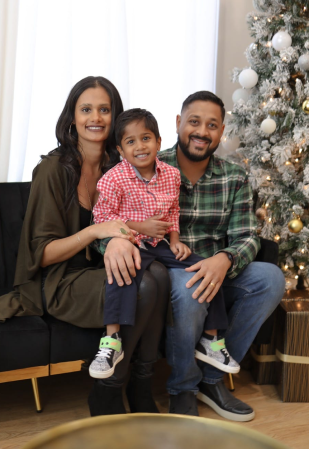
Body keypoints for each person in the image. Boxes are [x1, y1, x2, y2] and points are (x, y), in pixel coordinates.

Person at [0, 76, 170, 416]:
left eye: (104, 109)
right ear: (72, 117)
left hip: (100, 271)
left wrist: (120, 237)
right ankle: (108, 391)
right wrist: (97, 232)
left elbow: (137, 213)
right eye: (86, 109)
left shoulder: (121, 167)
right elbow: (42, 254)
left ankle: (142, 384)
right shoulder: (52, 170)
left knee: (159, 274)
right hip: (58, 280)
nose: (95, 118)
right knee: (144, 282)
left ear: (116, 118)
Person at [101, 91, 285, 422]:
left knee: (270, 278)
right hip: (172, 267)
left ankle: (211, 381)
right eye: (194, 122)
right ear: (177, 124)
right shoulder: (149, 164)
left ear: (221, 131)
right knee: (190, 288)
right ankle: (183, 387)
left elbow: (247, 236)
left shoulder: (235, 177)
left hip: (219, 266)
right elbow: (108, 218)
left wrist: (225, 259)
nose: (202, 131)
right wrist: (116, 240)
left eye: (211, 125)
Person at [88, 108, 239, 380]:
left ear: (158, 142)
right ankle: (111, 341)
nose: (140, 146)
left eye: (145, 138)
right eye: (130, 142)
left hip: (159, 245)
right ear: (121, 150)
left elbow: (173, 211)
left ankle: (212, 340)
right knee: (122, 273)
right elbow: (102, 219)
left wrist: (175, 239)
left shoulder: (170, 175)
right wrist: (138, 227)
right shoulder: (113, 179)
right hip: (128, 242)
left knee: (205, 269)